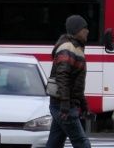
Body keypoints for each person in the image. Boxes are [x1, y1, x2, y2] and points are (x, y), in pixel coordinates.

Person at [47, 15, 92, 148]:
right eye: (85, 28)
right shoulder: (68, 47)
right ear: (76, 30)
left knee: (55, 142)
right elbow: (63, 77)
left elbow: (75, 82)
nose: (87, 31)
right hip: (64, 105)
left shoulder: (75, 47)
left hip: (62, 104)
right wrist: (66, 104)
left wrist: (83, 105)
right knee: (82, 142)